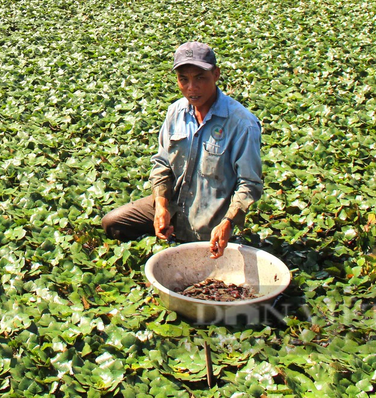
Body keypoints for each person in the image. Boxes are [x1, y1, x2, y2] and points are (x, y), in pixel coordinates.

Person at [101, 41, 263, 258]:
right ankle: (167, 227)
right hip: (176, 204)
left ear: (216, 75)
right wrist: (161, 206)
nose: (191, 88)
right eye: (183, 79)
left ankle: (201, 236)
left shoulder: (242, 123)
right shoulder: (176, 112)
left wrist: (227, 221)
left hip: (211, 219)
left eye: (200, 78)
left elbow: (250, 184)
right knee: (113, 223)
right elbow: (162, 164)